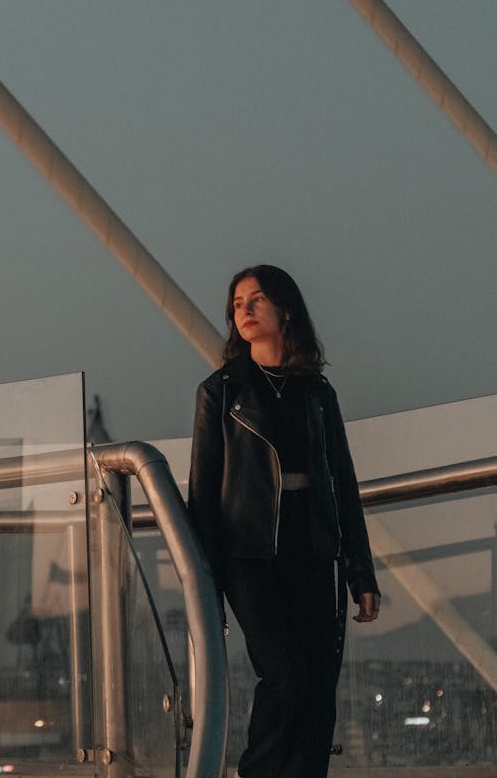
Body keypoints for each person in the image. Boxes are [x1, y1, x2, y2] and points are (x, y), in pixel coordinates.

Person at [188, 264, 380, 778]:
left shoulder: (317, 392)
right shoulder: (220, 393)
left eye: (255, 300)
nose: (244, 310)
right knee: (285, 678)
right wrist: (206, 589)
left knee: (318, 690)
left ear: (285, 308)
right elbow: (202, 498)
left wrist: (362, 573)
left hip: (316, 552)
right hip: (249, 557)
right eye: (236, 304)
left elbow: (343, 482)